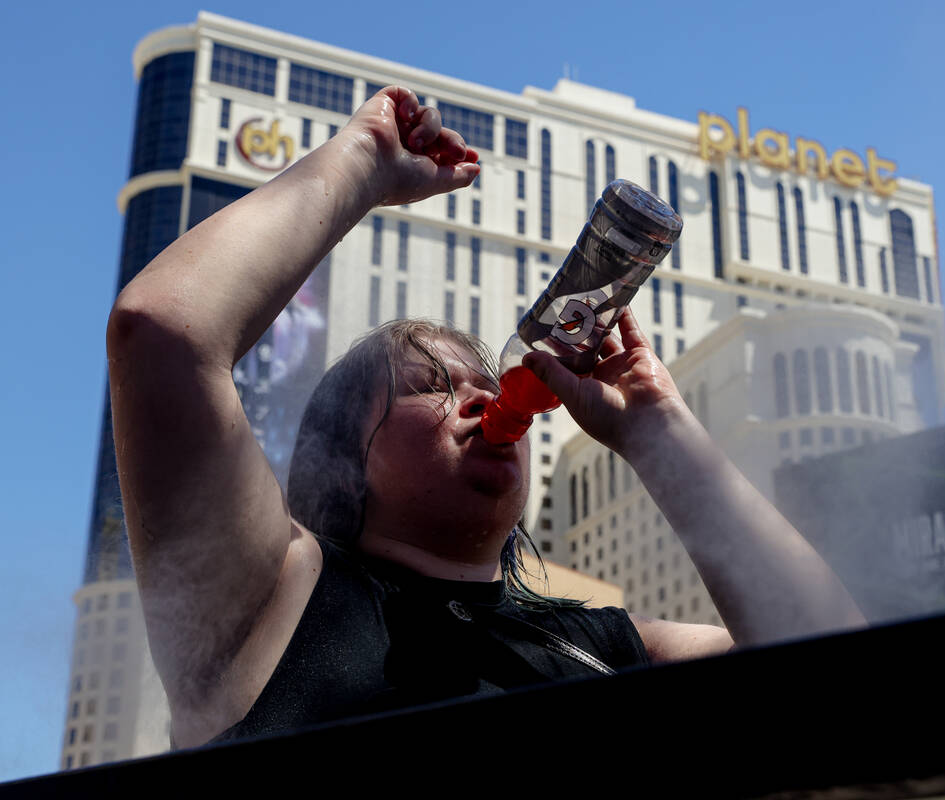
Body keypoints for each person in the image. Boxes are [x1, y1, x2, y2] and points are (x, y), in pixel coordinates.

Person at [107, 86, 865, 749]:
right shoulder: (277, 594)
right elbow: (164, 336)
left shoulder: (610, 646)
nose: (482, 394)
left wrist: (657, 428)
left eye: (482, 377)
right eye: (431, 383)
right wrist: (363, 161)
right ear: (344, 459)